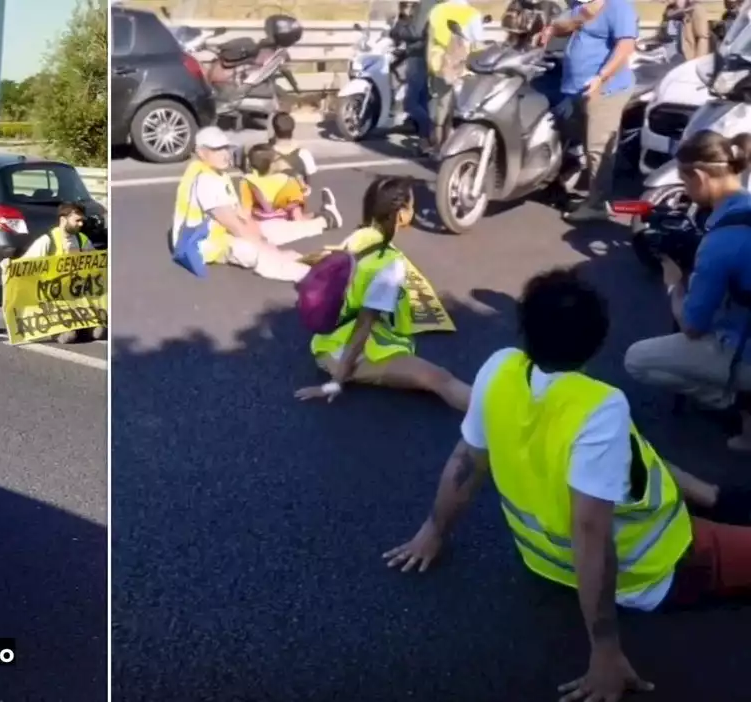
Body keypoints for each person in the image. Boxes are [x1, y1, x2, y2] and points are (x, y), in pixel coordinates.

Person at [385, 268, 751, 701]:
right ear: (598, 340)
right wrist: (605, 650)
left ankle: (715, 498)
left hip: (544, 560)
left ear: (525, 329)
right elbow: (591, 532)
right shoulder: (599, 407)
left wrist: (433, 530)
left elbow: (466, 460)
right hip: (656, 564)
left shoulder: (500, 369)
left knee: (640, 459)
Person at [294, 176, 471, 410]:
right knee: (439, 378)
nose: (413, 211)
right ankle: (497, 417)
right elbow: (364, 326)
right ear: (401, 214)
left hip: (326, 342)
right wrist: (336, 383)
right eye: (411, 206)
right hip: (346, 355)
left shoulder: (358, 238)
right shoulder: (389, 262)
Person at [624, 131, 751, 451]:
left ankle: (731, 397)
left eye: (685, 183)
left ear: (698, 176)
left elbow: (692, 327)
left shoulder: (720, 242)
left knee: (636, 359)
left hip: (743, 350)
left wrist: (672, 281)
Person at [540, 0, 639, 223]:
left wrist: (601, 77)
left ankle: (597, 204)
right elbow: (565, 25)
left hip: (605, 89)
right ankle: (575, 183)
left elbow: (625, 46)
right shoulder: (582, 6)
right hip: (575, 89)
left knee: (598, 148)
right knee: (577, 138)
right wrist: (552, 28)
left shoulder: (618, 6)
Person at [172, 126, 310, 282]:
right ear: (201, 152)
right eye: (217, 150)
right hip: (205, 243)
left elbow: (241, 214)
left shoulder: (218, 174)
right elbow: (234, 225)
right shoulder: (205, 180)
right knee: (251, 251)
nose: (225, 154)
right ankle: (305, 275)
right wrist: (273, 252)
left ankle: (304, 252)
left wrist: (263, 239)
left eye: (226, 148)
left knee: (266, 232)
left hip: (221, 231)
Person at [11, 201, 106, 344]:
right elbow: (25, 266)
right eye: (77, 220)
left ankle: (82, 326)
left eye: (82, 221)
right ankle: (58, 328)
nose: (81, 224)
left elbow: (98, 264)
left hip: (79, 299)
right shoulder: (47, 241)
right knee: (69, 337)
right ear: (63, 220)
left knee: (99, 333)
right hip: (54, 301)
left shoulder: (82, 240)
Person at [426, 0, 486, 151]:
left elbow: (429, 38)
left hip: (439, 61)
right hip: (462, 64)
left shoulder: (437, 10)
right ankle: (449, 146)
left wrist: (429, 63)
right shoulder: (472, 14)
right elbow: (477, 44)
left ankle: (437, 146)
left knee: (441, 105)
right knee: (457, 108)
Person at [390, 0, 433, 147]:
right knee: (422, 101)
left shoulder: (426, 4)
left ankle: (430, 132)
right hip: (428, 55)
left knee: (411, 103)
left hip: (418, 56)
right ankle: (424, 140)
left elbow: (415, 32)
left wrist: (397, 29)